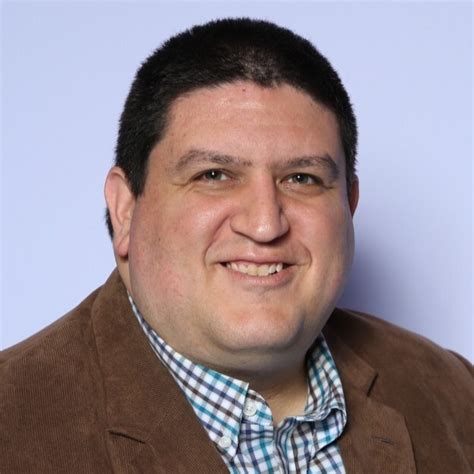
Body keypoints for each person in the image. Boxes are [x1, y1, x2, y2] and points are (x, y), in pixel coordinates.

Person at [1, 18, 472, 473]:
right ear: (125, 209)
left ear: (348, 206)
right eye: (214, 175)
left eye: (302, 178)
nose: (265, 225)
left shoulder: (453, 392)